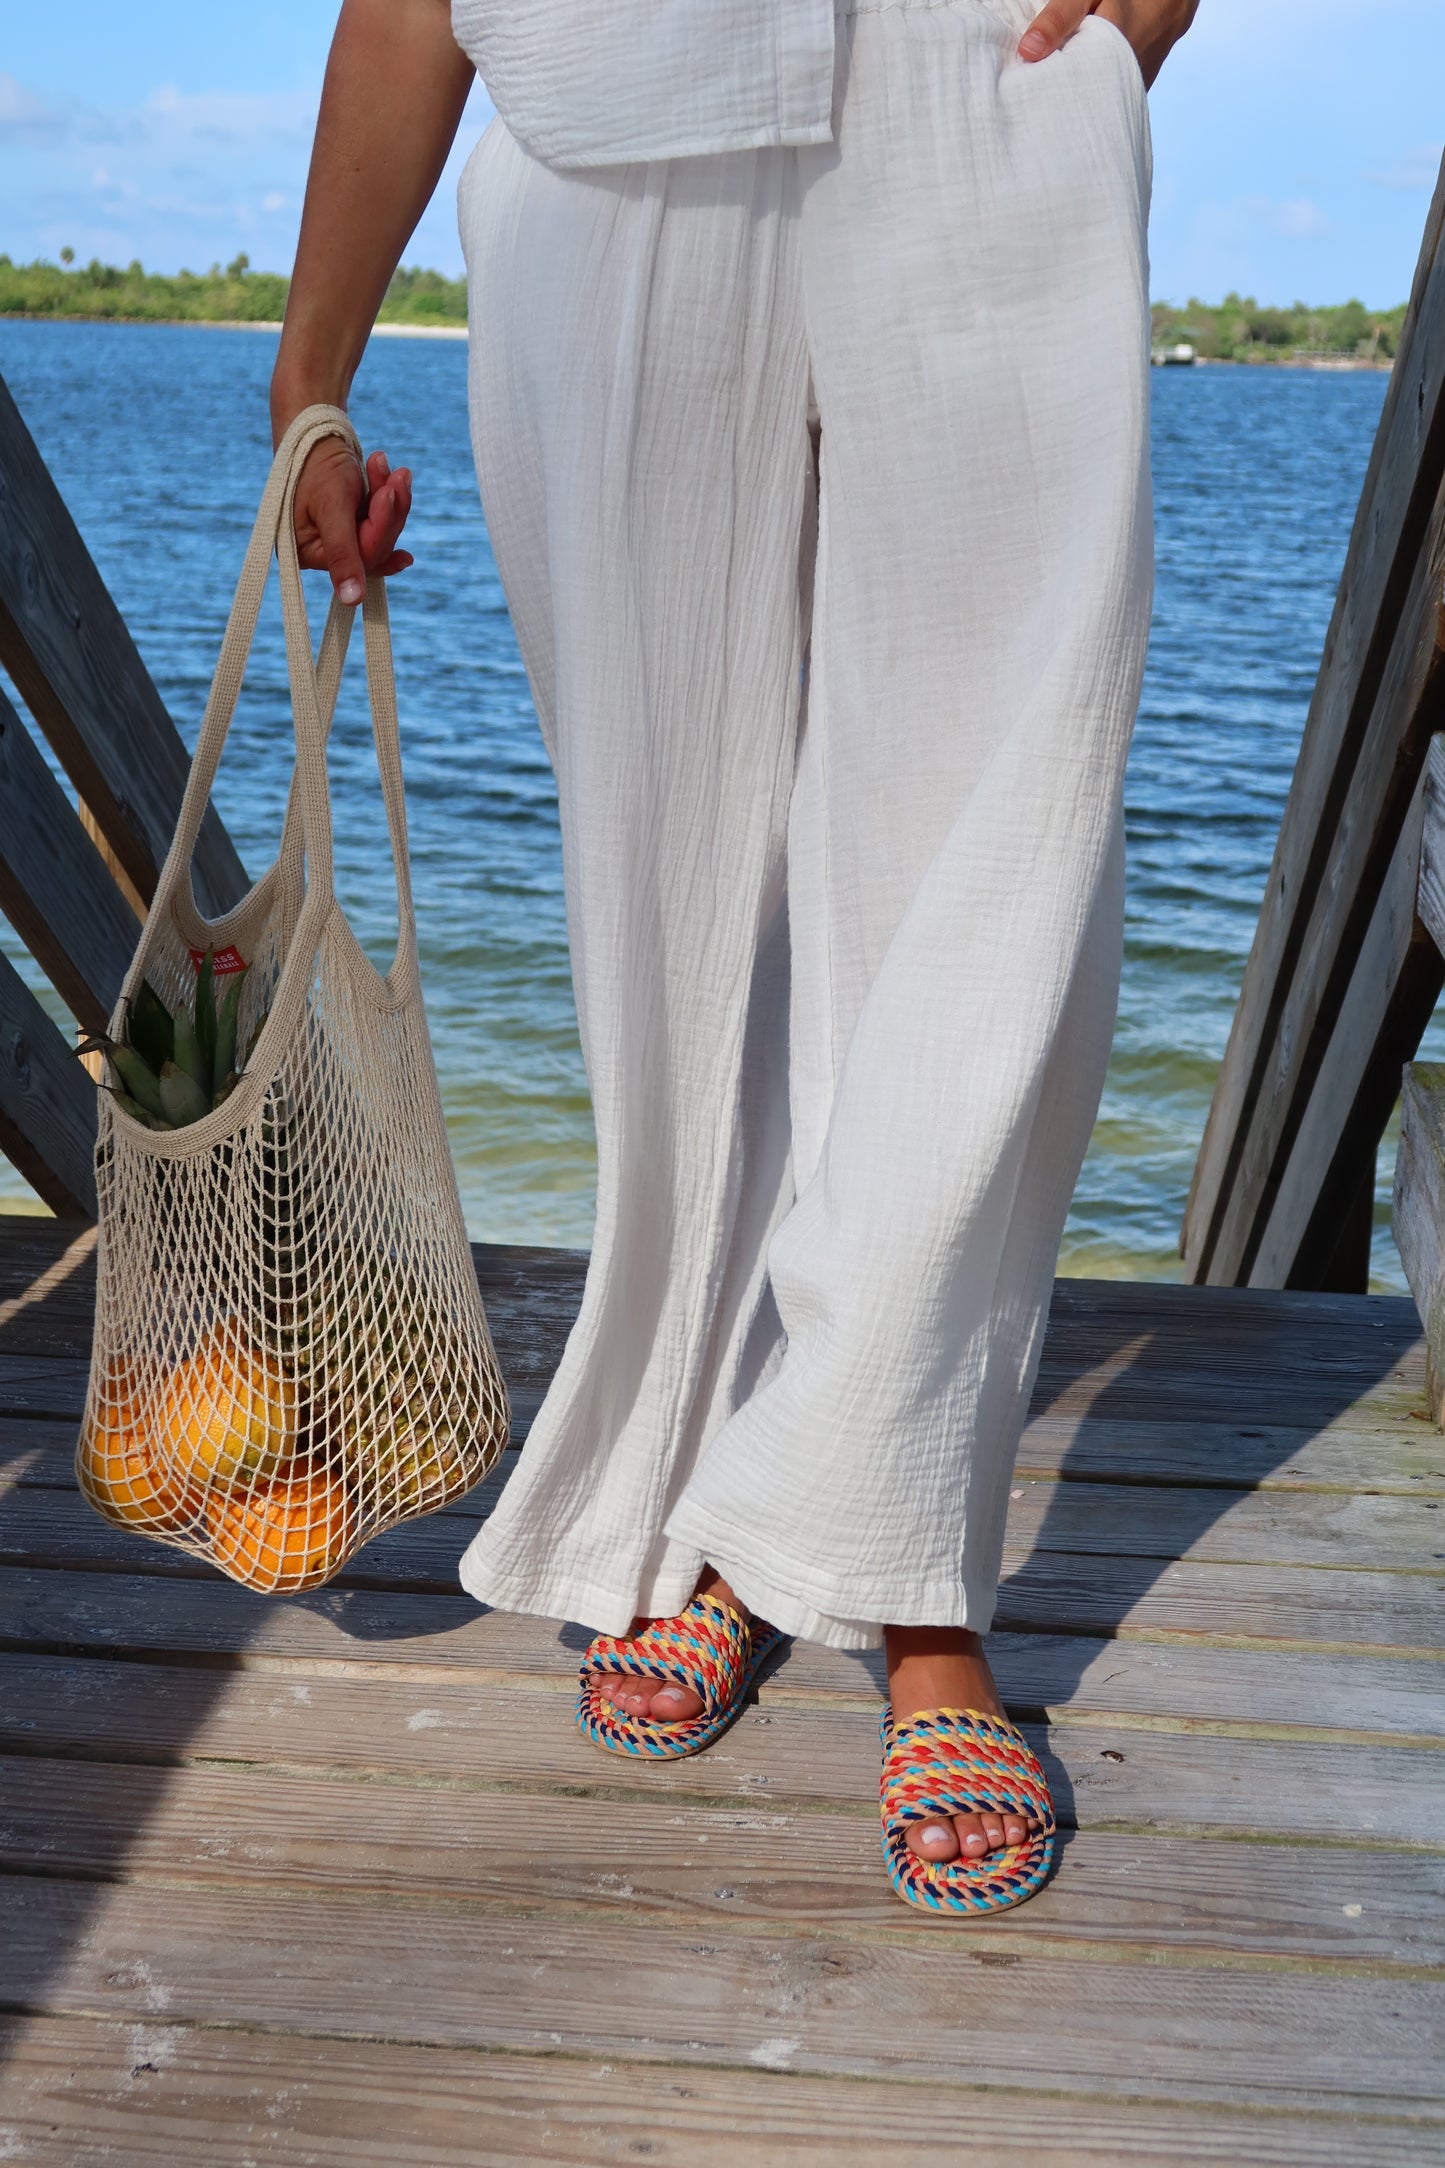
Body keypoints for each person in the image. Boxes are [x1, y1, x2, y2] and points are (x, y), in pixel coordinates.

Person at [273, 0, 1197, 1914]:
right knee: (666, 900)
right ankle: (705, 1497)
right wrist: (313, 379)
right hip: (600, 119)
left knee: (993, 858)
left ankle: (901, 1561)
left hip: (980, 97)